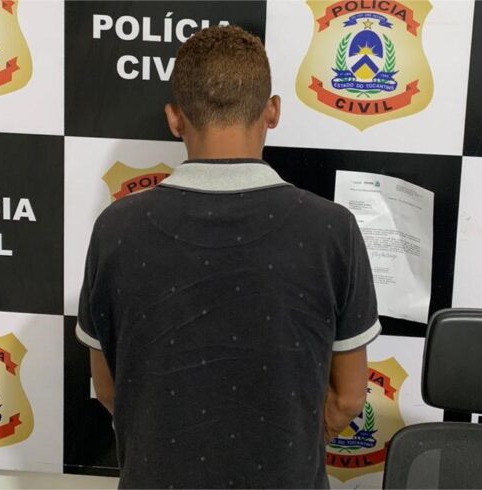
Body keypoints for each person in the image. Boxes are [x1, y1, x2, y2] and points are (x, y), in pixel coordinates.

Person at [76, 25, 380, 489]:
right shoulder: (332, 229)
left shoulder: (116, 228)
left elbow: (108, 389)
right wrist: (282, 449)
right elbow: (348, 399)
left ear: (174, 119)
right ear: (273, 111)